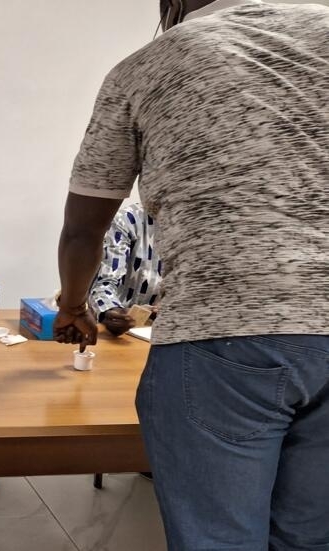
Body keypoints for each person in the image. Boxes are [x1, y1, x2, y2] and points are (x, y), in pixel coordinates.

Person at [54, 1, 328, 549]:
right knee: (311, 538)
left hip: (224, 333)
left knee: (219, 539)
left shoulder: (146, 65)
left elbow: (83, 231)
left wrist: (72, 305)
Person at [87, 202, 162, 336]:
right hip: (120, 332)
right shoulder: (127, 219)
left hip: (170, 330)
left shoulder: (197, 226)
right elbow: (104, 283)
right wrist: (112, 311)